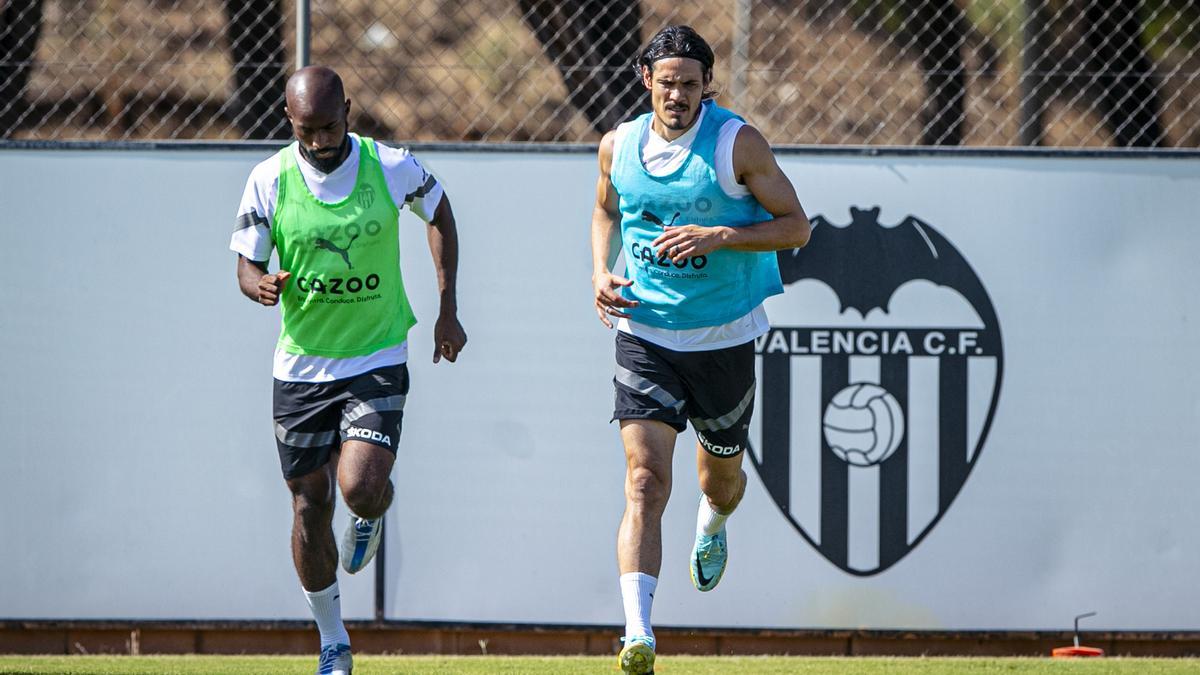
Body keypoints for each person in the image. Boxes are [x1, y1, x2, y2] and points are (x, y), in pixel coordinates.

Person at [229, 66, 466, 675]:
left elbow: (440, 214)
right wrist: (261, 287)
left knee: (359, 486)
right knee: (310, 506)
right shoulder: (268, 180)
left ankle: (372, 509)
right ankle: (333, 639)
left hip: (377, 353)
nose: (318, 142)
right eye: (306, 130)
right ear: (290, 121)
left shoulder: (388, 166)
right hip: (302, 369)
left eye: (329, 128)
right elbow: (246, 266)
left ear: (349, 112)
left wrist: (447, 309)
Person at [589, 26, 811, 675]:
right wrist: (599, 272)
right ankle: (638, 634)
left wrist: (720, 233)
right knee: (643, 479)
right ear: (645, 80)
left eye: (690, 83)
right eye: (667, 83)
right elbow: (604, 209)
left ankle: (713, 522)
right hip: (645, 332)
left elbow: (796, 226)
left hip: (723, 338)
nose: (678, 95)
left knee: (723, 481)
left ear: (707, 85)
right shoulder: (619, 146)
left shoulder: (736, 143)